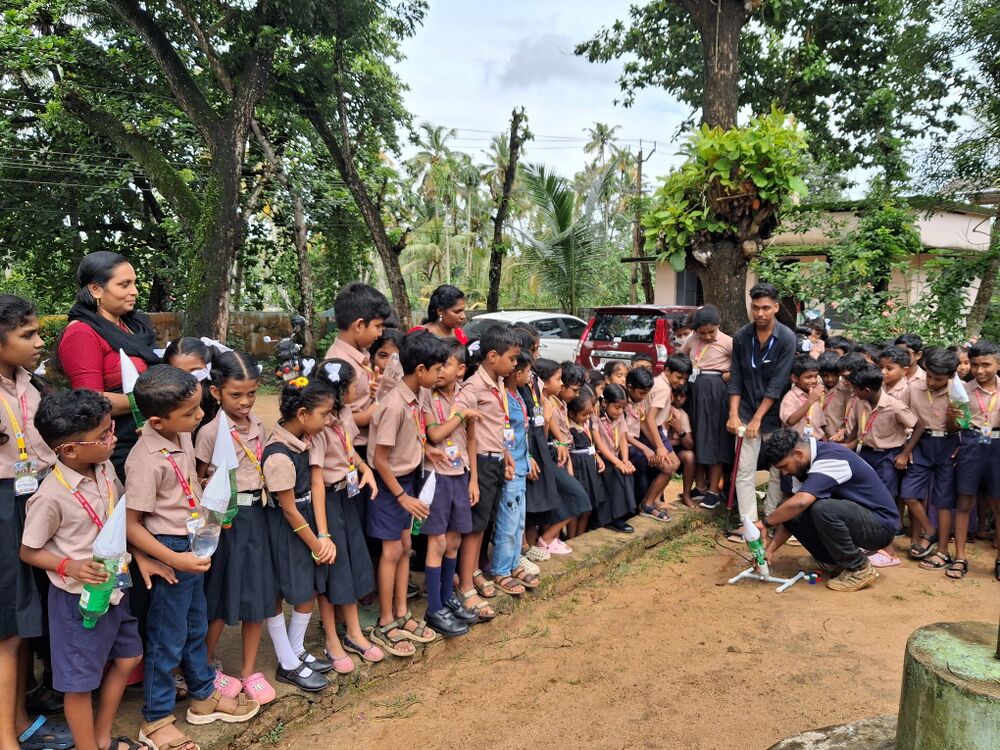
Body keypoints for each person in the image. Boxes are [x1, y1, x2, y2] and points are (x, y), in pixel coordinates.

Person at [124, 366, 259, 750]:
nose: (200, 417)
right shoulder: (143, 460)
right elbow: (132, 525)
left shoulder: (180, 434)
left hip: (191, 544)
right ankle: (155, 718)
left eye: (199, 408)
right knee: (166, 637)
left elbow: (186, 484)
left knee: (195, 626)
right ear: (156, 420)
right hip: (169, 552)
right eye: (190, 412)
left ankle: (202, 696)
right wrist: (173, 559)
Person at [21, 390, 143, 750]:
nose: (113, 438)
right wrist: (68, 565)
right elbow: (29, 550)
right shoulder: (49, 497)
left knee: (129, 656)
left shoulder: (104, 468)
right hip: (78, 603)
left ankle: (102, 737)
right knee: (78, 683)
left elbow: (118, 515)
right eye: (104, 434)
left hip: (115, 588)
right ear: (70, 450)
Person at [0, 295, 69, 750]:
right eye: (28, 335)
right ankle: (7, 738)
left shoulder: (33, 385)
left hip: (35, 500)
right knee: (7, 625)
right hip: (4, 506)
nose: (40, 342)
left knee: (24, 618)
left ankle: (21, 717)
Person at [193, 352, 275, 703]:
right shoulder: (210, 433)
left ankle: (249, 670)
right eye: (236, 395)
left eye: (251, 393)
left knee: (256, 594)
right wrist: (211, 527)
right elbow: (198, 482)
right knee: (222, 596)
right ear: (216, 393)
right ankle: (205, 666)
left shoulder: (259, 426)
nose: (245, 402)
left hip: (258, 517)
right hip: (226, 524)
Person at [368, 332, 446, 655]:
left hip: (409, 481)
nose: (441, 375)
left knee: (404, 547)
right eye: (438, 369)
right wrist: (401, 496)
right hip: (392, 488)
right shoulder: (394, 405)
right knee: (390, 552)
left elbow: (409, 442)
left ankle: (401, 612)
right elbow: (379, 460)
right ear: (420, 370)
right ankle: (385, 621)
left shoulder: (415, 399)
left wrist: (430, 455)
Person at [262, 379, 338, 693]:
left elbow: (314, 488)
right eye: (326, 414)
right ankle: (287, 662)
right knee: (280, 591)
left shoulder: (305, 438)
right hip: (286, 528)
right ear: (303, 413)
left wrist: (323, 534)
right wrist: (317, 543)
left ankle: (297, 649)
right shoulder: (279, 455)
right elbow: (289, 509)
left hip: (305, 525)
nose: (330, 420)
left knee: (307, 588)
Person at [57, 252, 161, 479]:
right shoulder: (81, 333)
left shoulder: (134, 324)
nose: (134, 291)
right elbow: (90, 400)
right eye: (124, 284)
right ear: (96, 290)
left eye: (134, 283)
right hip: (118, 439)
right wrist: (155, 401)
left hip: (152, 431)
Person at [760, 429, 897, 591]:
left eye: (784, 466)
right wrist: (769, 551)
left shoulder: (832, 457)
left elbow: (801, 502)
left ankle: (859, 568)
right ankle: (830, 560)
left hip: (881, 526)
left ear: (797, 454)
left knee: (823, 508)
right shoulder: (804, 466)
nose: (785, 473)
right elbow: (792, 510)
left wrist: (764, 523)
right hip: (857, 519)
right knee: (787, 507)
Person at [310, 361, 383, 666]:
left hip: (346, 496)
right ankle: (331, 638)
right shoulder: (318, 427)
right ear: (342, 391)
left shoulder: (342, 416)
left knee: (351, 565)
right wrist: (323, 532)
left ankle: (353, 632)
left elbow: (349, 449)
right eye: (355, 385)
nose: (360, 389)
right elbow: (315, 479)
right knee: (330, 570)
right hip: (326, 502)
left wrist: (366, 469)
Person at [455, 328, 520, 609]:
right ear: (493, 357)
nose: (516, 364)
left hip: (494, 458)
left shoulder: (498, 383)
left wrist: (505, 453)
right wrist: (474, 474)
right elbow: (466, 433)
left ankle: (474, 571)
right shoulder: (473, 388)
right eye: (513, 358)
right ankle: (466, 583)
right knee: (474, 525)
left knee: (484, 523)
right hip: (479, 461)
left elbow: (495, 425)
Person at [419, 340, 481, 633]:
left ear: (461, 369)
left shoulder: (466, 398)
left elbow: (471, 440)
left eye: (447, 365)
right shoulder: (426, 398)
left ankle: (447, 598)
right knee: (438, 542)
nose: (441, 371)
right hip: (436, 476)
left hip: (460, 474)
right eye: (438, 365)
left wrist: (474, 479)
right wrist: (459, 416)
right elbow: (434, 435)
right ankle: (434, 608)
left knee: (454, 541)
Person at [726, 282, 796, 521]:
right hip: (745, 410)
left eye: (766, 308)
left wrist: (759, 418)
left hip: (774, 414)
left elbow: (777, 384)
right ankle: (749, 522)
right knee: (744, 469)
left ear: (776, 307)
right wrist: (733, 414)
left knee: (778, 467)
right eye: (755, 308)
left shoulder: (787, 338)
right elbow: (736, 377)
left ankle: (772, 516)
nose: (760, 313)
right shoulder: (741, 337)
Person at [843, 365, 916, 567]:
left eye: (855, 389)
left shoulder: (894, 405)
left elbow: (917, 426)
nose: (853, 393)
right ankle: (870, 542)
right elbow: (856, 432)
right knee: (863, 499)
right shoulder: (861, 403)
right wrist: (843, 447)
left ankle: (888, 550)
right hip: (865, 453)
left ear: (866, 390)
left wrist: (905, 452)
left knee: (884, 502)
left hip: (887, 458)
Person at [896, 348, 960, 564]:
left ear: (951, 376)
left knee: (943, 501)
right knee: (908, 493)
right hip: (920, 444)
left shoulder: (957, 393)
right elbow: (903, 414)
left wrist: (952, 418)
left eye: (938, 379)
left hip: (947, 445)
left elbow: (960, 427)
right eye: (929, 376)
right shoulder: (913, 388)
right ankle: (929, 530)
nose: (932, 382)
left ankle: (942, 549)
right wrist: (907, 447)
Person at [324, 283, 393, 462]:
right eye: (377, 326)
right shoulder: (338, 366)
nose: (380, 334)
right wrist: (378, 406)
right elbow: (334, 419)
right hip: (352, 449)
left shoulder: (362, 353)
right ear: (360, 325)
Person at [950, 341, 1000, 580]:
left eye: (986, 365)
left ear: (998, 364)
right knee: (964, 502)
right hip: (971, 443)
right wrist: (953, 418)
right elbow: (953, 427)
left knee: (998, 503)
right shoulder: (962, 390)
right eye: (976, 365)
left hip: (998, 445)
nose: (980, 371)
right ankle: (960, 557)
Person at [491, 355, 540, 596]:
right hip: (511, 467)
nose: (531, 377)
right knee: (508, 523)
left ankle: (513, 563)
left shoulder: (518, 395)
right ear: (517, 374)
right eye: (528, 372)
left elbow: (523, 433)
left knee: (518, 521)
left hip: (522, 464)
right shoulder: (503, 399)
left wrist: (528, 457)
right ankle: (500, 570)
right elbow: (505, 434)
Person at [681, 304, 733, 510]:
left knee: (715, 439)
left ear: (718, 326)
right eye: (702, 333)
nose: (707, 336)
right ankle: (700, 486)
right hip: (694, 391)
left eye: (711, 332)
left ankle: (713, 490)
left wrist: (729, 375)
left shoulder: (728, 342)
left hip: (716, 392)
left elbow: (741, 366)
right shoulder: (692, 340)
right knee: (698, 437)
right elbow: (682, 357)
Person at [639, 355, 687, 517]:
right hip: (652, 430)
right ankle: (647, 504)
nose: (681, 382)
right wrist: (659, 446)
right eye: (678, 377)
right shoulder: (663, 388)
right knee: (669, 466)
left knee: (675, 463)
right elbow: (650, 418)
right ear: (667, 371)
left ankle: (654, 500)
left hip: (657, 429)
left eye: (684, 379)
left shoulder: (659, 382)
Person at [592, 383, 636, 532]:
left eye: (622, 408)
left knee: (627, 471)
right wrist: (617, 462)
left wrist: (625, 460)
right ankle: (612, 519)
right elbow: (599, 443)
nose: (619, 411)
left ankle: (623, 514)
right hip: (601, 457)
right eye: (616, 407)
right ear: (605, 403)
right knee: (615, 473)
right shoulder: (596, 417)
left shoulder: (620, 416)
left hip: (616, 455)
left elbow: (623, 438)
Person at [566, 387, 603, 537]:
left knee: (588, 506)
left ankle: (580, 536)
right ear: (571, 413)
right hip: (579, 468)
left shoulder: (585, 424)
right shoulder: (570, 428)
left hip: (589, 467)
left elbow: (591, 445)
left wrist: (597, 458)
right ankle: (571, 537)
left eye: (589, 413)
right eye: (584, 414)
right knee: (577, 506)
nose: (587, 417)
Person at [780, 357, 826, 439]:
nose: (814, 380)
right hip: (797, 443)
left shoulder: (814, 395)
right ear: (795, 378)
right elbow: (790, 421)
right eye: (808, 377)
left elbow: (819, 425)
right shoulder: (790, 396)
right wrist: (810, 401)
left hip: (816, 441)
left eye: (816, 376)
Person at [666, 385, 696, 507]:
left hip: (674, 449)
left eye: (682, 396)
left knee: (690, 456)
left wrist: (679, 430)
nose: (678, 399)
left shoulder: (682, 415)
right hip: (659, 447)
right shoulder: (663, 409)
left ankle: (686, 495)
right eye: (675, 394)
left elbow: (689, 444)